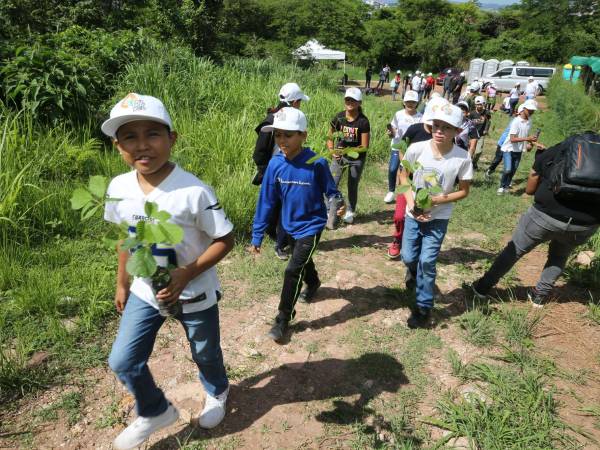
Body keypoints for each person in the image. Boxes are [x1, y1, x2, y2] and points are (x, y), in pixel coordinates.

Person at [101, 93, 235, 449]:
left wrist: (186, 273)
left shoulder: (193, 191)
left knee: (205, 351)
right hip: (146, 291)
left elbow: (226, 238)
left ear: (172, 138)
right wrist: (122, 283)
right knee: (123, 359)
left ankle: (217, 391)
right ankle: (153, 409)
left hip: (194, 290)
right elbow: (125, 239)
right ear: (118, 147)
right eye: (130, 136)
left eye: (153, 134)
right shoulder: (118, 188)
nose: (142, 145)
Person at [468, 135, 599, 308]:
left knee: (514, 250)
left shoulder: (563, 148)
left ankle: (482, 288)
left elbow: (532, 181)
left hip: (546, 215)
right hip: (584, 225)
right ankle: (539, 296)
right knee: (559, 257)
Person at [250, 108, 341, 341]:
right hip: (287, 225)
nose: (282, 140)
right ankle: (314, 281)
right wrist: (257, 235)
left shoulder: (316, 163)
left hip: (312, 225)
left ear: (303, 135)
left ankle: (283, 318)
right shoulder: (275, 164)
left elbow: (332, 191)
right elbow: (267, 201)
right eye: (278, 135)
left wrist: (338, 203)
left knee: (292, 269)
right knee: (302, 261)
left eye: (288, 135)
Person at [399, 102, 473, 328]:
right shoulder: (416, 149)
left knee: (427, 261)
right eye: (437, 125)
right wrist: (412, 205)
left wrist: (439, 200)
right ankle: (412, 273)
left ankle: (423, 308)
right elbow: (403, 178)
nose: (440, 131)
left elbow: (464, 190)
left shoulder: (462, 158)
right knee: (409, 257)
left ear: (457, 131)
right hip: (413, 215)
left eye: (447, 128)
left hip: (438, 219)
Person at [253, 83, 310, 260]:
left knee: (280, 207)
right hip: (274, 171)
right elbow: (260, 152)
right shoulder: (273, 121)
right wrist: (265, 171)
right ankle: (280, 243)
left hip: (288, 169)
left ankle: (278, 237)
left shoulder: (285, 119)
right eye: (299, 101)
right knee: (278, 207)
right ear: (294, 102)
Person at [386, 96, 443, 260]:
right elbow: (402, 147)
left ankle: (414, 247)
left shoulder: (442, 136)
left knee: (421, 216)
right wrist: (404, 166)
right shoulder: (414, 129)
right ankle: (397, 240)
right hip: (407, 180)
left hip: (428, 184)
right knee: (399, 216)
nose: (437, 127)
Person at [327, 87, 370, 225]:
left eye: (353, 100)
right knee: (331, 182)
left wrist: (346, 151)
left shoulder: (363, 121)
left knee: (352, 184)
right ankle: (329, 210)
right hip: (339, 156)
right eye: (347, 99)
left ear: (359, 103)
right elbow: (329, 136)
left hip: (357, 159)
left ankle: (350, 211)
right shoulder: (339, 117)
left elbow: (364, 146)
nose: (349, 102)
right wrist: (333, 151)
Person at [384, 90, 422, 204]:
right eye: (408, 101)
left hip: (412, 149)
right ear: (404, 102)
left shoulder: (421, 117)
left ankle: (407, 194)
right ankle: (391, 191)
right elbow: (393, 129)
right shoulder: (398, 114)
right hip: (397, 146)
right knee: (392, 168)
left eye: (413, 102)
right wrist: (391, 133)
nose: (410, 104)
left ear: (417, 103)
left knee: (409, 172)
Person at [497, 100, 541, 195]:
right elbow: (512, 139)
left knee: (513, 169)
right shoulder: (516, 122)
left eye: (533, 110)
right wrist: (527, 138)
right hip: (509, 148)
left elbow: (525, 134)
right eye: (529, 109)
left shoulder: (529, 121)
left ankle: (507, 186)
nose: (531, 112)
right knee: (508, 169)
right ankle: (501, 186)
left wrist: (532, 143)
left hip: (519, 149)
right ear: (524, 109)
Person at [468, 96, 492, 170]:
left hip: (481, 135)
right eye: (477, 104)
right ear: (475, 104)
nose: (479, 106)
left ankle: (474, 163)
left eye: (480, 104)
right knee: (470, 150)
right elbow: (468, 123)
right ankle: (468, 163)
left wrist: (486, 129)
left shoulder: (486, 113)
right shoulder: (472, 113)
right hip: (472, 135)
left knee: (478, 151)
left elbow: (488, 121)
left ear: (483, 104)